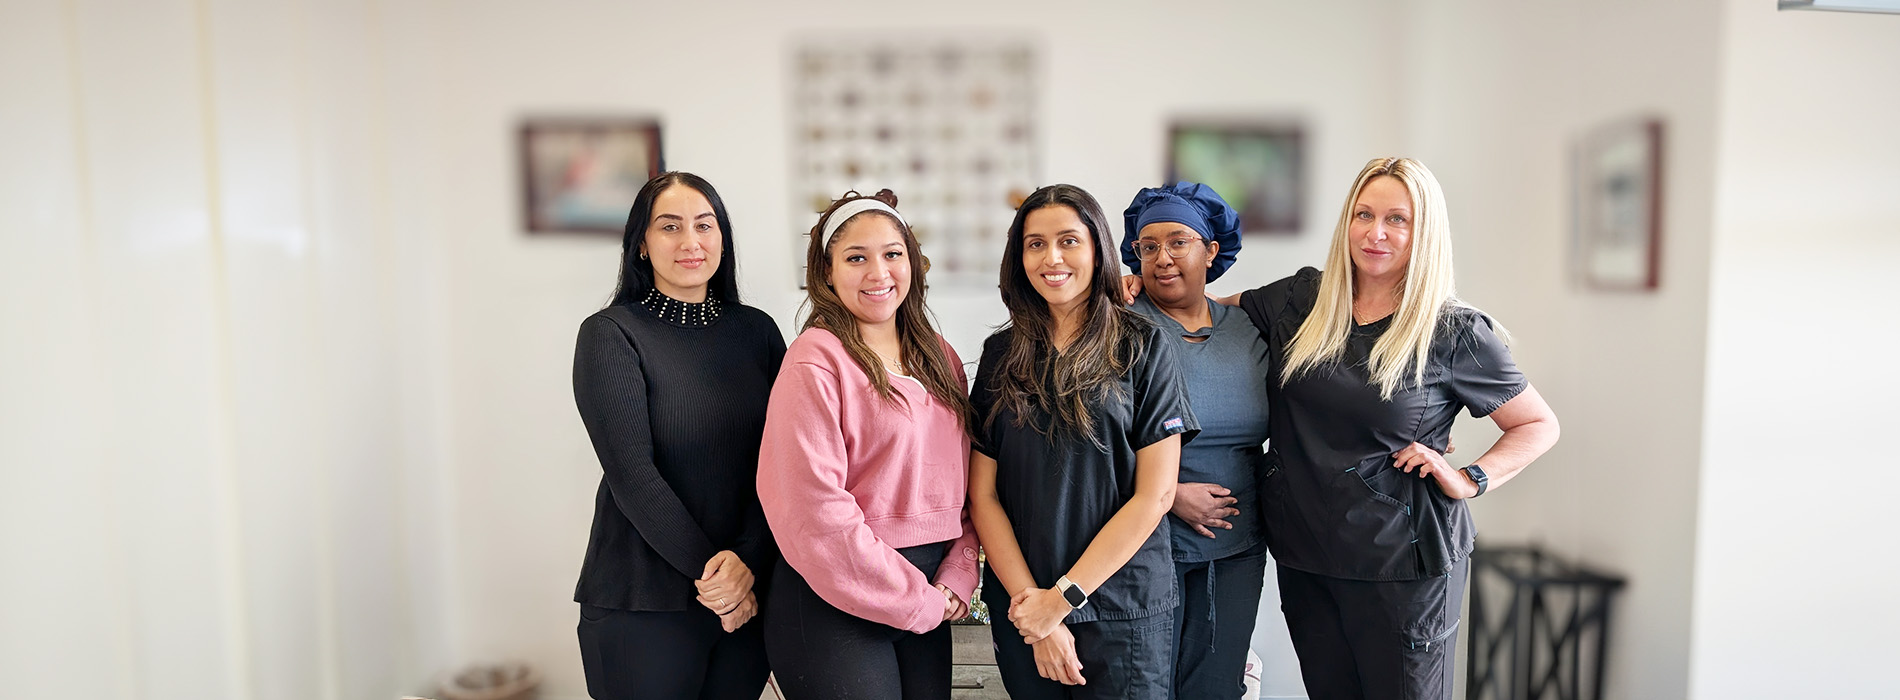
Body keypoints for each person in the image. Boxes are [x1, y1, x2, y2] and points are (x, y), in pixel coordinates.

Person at [1152, 157, 1560, 699]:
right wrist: (1132, 288)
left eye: (1397, 219)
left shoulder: (1454, 331)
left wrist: (1471, 478)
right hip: (1306, 556)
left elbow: (1536, 423)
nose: (1375, 232)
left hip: (1402, 566)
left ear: (1425, 232)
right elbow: (1204, 310)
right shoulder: (1302, 299)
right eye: (1364, 214)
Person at [968, 183, 1198, 699]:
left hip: (1123, 608)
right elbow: (982, 494)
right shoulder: (1000, 353)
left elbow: (1156, 495)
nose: (1052, 258)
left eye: (1069, 240)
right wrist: (1037, 609)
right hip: (1024, 608)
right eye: (1035, 244)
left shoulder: (1142, 345)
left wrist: (1062, 600)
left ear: (1098, 249)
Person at [756, 189, 981, 699]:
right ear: (827, 272)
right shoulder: (816, 361)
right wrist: (917, 601)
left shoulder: (939, 356)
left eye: (892, 254)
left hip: (928, 591)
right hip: (833, 600)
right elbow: (811, 511)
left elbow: (966, 483)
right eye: (856, 257)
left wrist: (959, 570)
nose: (878, 272)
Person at [570, 171, 785, 700]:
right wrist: (719, 582)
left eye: (704, 225)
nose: (690, 242)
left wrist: (748, 564)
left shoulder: (758, 331)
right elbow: (632, 474)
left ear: (721, 239)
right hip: (644, 599)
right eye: (669, 227)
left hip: (750, 591)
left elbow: (786, 460)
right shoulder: (611, 333)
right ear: (641, 244)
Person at [1121, 182, 1274, 700]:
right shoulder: (1118, 327)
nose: (1162, 258)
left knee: (1214, 685)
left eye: (1178, 241)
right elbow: (1088, 440)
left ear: (1211, 250)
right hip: (1142, 544)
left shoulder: (1249, 328)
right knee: (1145, 685)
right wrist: (1171, 495)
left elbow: (1313, 401)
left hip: (1239, 548)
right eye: (1148, 247)